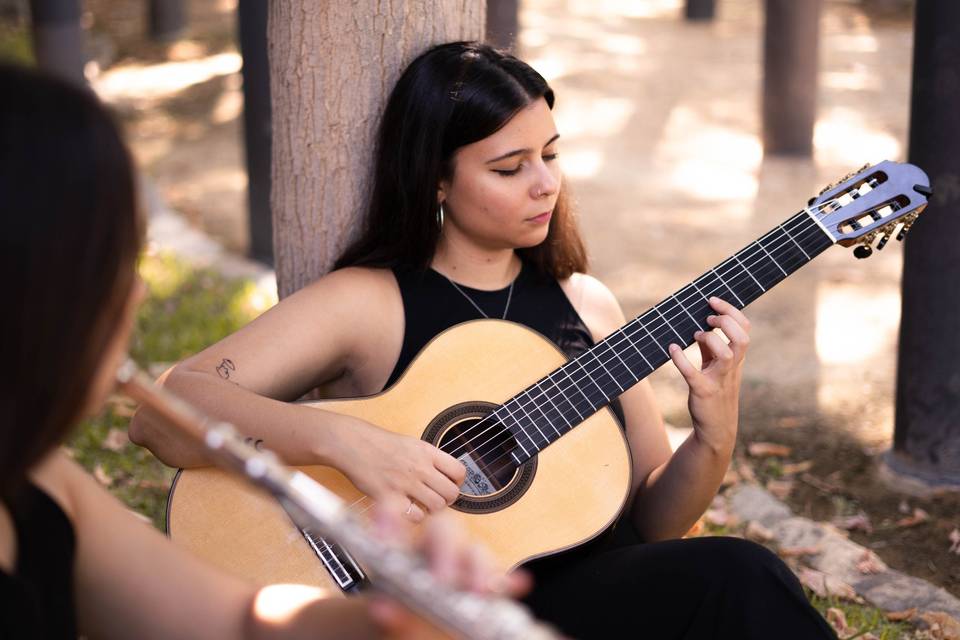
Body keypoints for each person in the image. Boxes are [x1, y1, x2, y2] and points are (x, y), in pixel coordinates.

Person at [130, 42, 836, 639]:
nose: (545, 185)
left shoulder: (585, 305)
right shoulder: (372, 303)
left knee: (739, 574)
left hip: (579, 603)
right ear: (437, 179)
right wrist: (343, 443)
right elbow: (169, 406)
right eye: (509, 168)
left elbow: (655, 522)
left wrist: (714, 432)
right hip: (438, 614)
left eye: (550, 156)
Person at [0, 63, 521, 639]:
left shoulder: (43, 484)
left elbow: (234, 621)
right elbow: (171, 407)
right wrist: (337, 440)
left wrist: (389, 619)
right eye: (113, 261)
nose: (138, 292)